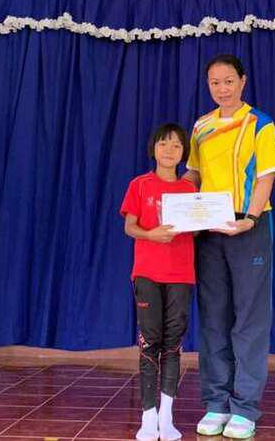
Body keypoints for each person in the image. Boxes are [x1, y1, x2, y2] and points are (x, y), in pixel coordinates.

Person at [184, 55, 275, 439]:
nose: (222, 88)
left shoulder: (260, 123)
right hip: (209, 227)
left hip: (247, 225)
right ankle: (216, 403)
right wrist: (175, 204)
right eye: (215, 82)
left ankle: (244, 407)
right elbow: (193, 174)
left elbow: (266, 177)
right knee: (214, 318)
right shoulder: (201, 126)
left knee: (249, 319)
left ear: (243, 81)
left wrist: (251, 219)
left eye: (229, 81)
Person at [121, 123, 197, 441]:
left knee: (173, 344)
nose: (169, 150)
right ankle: (147, 418)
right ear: (153, 148)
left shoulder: (190, 191)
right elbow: (130, 226)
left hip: (181, 275)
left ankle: (167, 418)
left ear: (184, 154)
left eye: (177, 145)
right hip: (147, 274)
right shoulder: (139, 185)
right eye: (164, 144)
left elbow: (198, 227)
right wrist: (151, 234)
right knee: (150, 342)